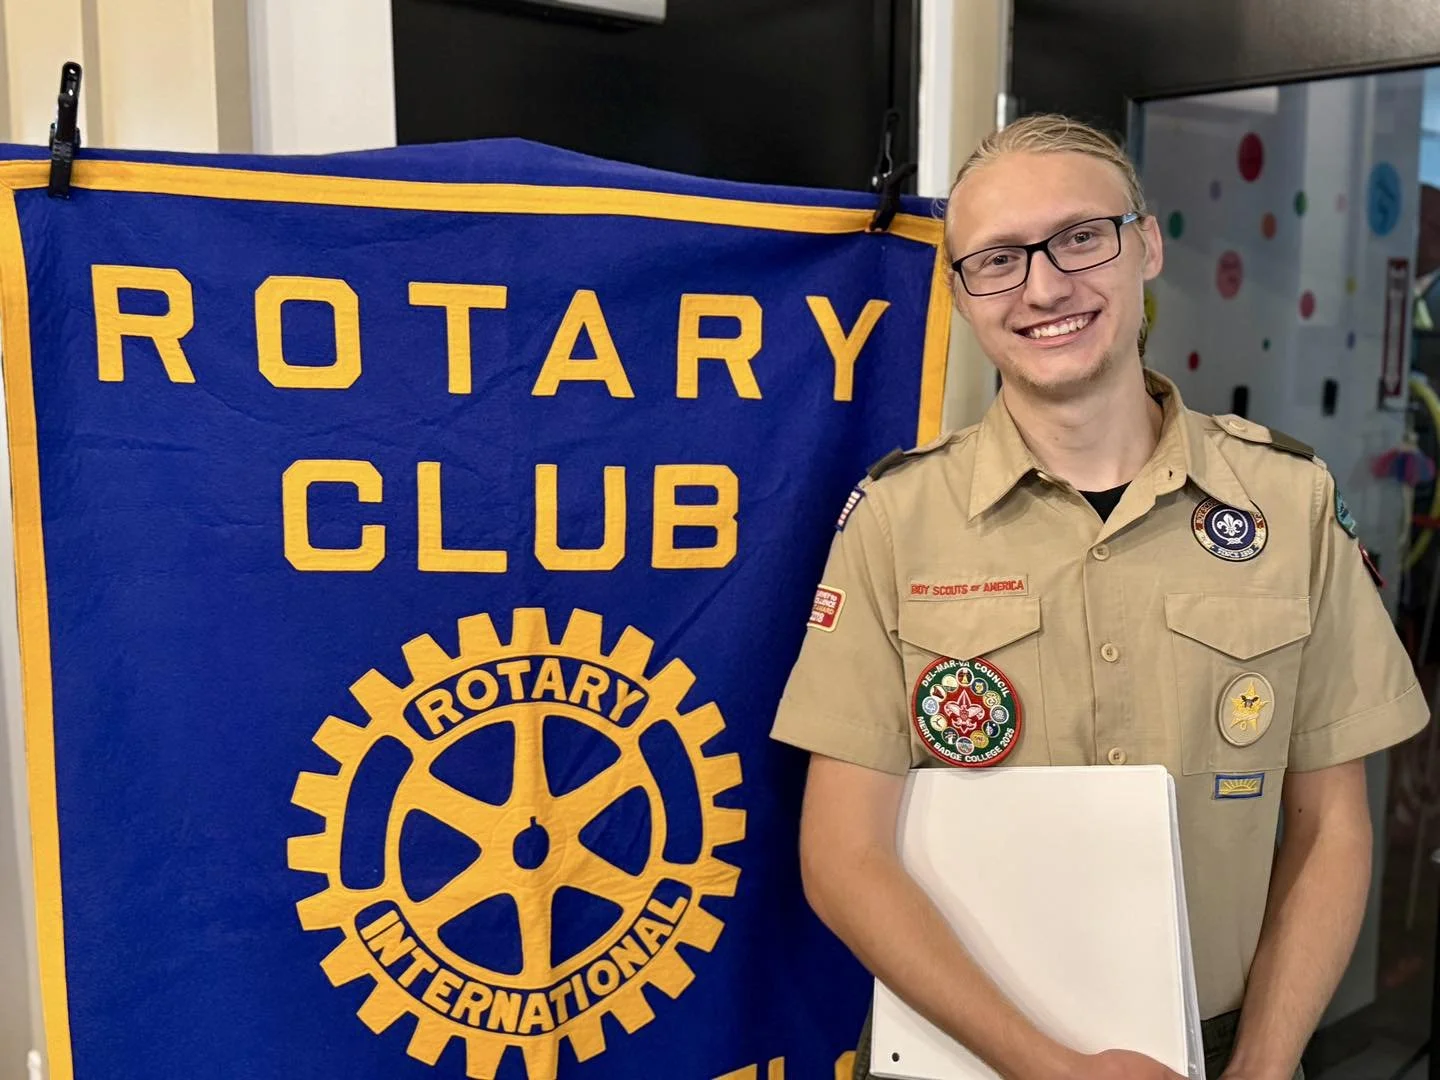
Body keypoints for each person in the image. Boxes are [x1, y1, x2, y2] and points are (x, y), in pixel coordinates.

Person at [771, 114, 1430, 1080]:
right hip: (963, 1053)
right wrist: (1047, 1067)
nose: (1044, 286)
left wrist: (1261, 1066)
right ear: (959, 295)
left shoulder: (1288, 502)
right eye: (996, 260)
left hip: (1226, 1049)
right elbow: (840, 854)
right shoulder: (895, 521)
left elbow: (1330, 825)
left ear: (1147, 244)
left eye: (1081, 236)